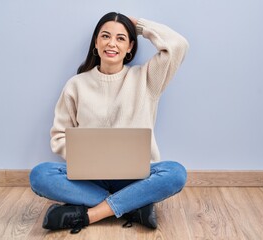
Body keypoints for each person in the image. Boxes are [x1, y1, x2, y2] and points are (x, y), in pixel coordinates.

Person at [29, 12, 189, 234]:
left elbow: (178, 45)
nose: (112, 43)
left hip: (135, 178)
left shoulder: (147, 79)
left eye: (121, 38)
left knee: (176, 172)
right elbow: (58, 137)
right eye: (105, 36)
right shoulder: (76, 85)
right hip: (89, 179)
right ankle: (133, 207)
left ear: (130, 47)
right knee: (40, 175)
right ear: (96, 42)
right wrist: (85, 156)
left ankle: (89, 214)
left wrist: (139, 26)